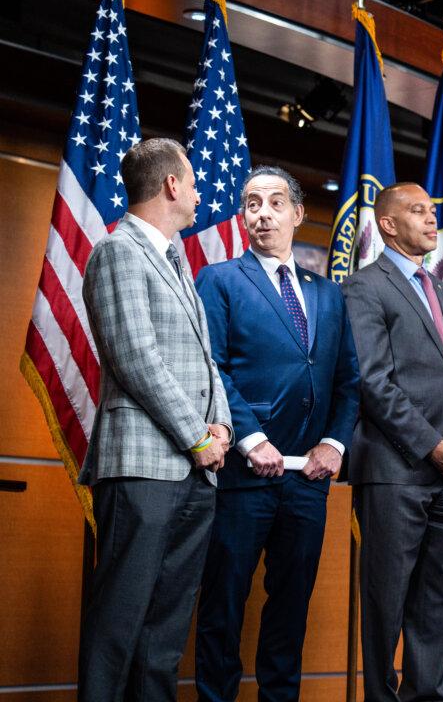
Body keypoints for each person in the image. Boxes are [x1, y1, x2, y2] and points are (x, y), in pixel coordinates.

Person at [193, 167, 361, 701]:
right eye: (251, 204)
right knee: (223, 605)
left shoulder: (329, 295)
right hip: (242, 475)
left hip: (307, 482)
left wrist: (334, 445)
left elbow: (348, 382)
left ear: (297, 214)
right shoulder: (219, 280)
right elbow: (212, 368)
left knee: (291, 609)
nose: (261, 212)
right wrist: (250, 437)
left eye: (274, 202)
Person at [77, 137, 232, 701]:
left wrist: (221, 428)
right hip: (143, 470)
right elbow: (136, 356)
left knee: (164, 638)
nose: (197, 193)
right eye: (191, 182)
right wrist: (197, 435)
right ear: (171, 185)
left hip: (195, 472)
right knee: (119, 624)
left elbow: (204, 363)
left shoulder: (175, 261)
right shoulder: (118, 251)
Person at [342, 181, 443, 702]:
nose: (433, 220)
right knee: (387, 598)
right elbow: (374, 383)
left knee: (438, 598)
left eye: (433, 211)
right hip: (395, 471)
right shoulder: (365, 287)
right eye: (419, 211)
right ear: (387, 224)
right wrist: (432, 445)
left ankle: (426, 696)